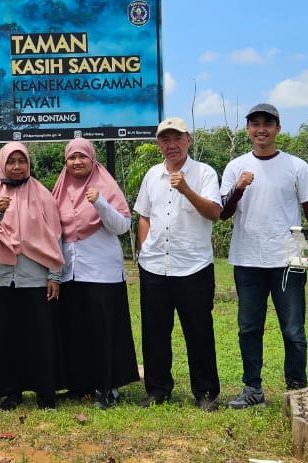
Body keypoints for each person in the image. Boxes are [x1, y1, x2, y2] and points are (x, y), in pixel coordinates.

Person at [220, 103, 308, 409]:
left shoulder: (296, 166)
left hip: (290, 256)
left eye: (267, 123)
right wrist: (239, 188)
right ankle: (252, 389)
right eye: (254, 124)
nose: (261, 129)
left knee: (293, 329)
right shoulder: (235, 167)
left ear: (278, 129)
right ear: (247, 130)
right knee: (248, 328)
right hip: (247, 258)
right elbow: (224, 212)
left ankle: (297, 391)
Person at [133, 117, 222, 411]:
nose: (171, 145)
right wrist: (145, 248)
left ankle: (206, 392)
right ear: (159, 144)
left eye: (177, 139)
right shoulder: (151, 175)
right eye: (165, 140)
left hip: (193, 265)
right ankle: (158, 390)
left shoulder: (205, 173)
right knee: (155, 331)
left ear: (188, 140)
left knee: (198, 330)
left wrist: (186, 189)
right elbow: (143, 215)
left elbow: (213, 213)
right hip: (155, 266)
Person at [0, 142, 65, 410]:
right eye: (11, 161)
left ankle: (45, 392)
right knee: (6, 337)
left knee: (40, 337)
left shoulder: (43, 195)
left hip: (36, 278)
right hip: (2, 278)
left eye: (21, 161)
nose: (16, 167)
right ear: (3, 163)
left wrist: (55, 275)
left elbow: (55, 236)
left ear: (28, 164)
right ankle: (10, 392)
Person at [52, 137, 139, 409]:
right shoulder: (60, 189)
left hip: (102, 273)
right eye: (71, 158)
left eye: (82, 157)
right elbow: (54, 227)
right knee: (75, 331)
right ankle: (80, 385)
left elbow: (122, 225)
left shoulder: (106, 187)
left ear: (93, 159)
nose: (77, 162)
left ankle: (109, 387)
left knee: (104, 332)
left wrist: (100, 203)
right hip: (70, 272)